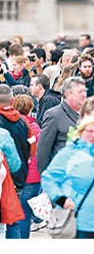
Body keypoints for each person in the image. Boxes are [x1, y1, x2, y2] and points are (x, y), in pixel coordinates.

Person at [41, 116, 94, 239]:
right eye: (89, 131)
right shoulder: (69, 153)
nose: (93, 135)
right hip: (81, 222)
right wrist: (61, 199)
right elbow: (49, 178)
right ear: (80, 132)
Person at [3, 93, 37, 239]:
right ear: (11, 101)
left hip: (7, 175)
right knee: (13, 220)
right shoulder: (24, 122)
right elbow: (32, 147)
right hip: (18, 177)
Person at [37, 77, 87, 173]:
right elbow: (43, 150)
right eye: (80, 92)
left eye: (85, 91)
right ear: (68, 94)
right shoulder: (54, 115)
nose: (84, 95)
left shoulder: (87, 115)